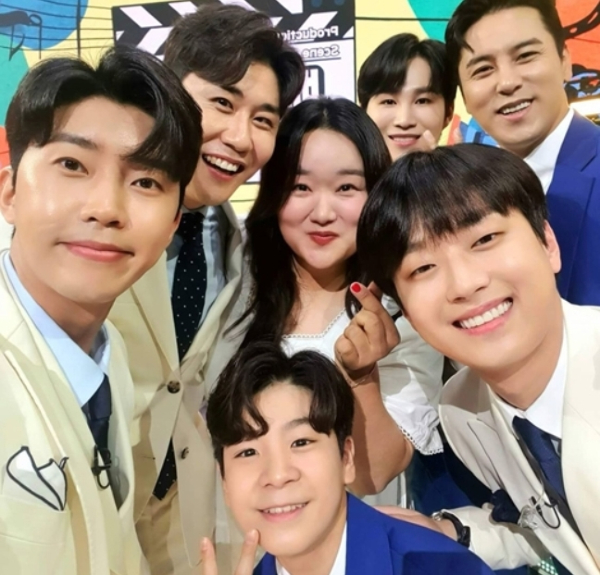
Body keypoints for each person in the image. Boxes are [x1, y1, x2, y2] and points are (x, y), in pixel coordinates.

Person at [107, 4, 305, 574]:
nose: (239, 137)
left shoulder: (239, 246)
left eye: (264, 120)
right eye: (221, 102)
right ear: (169, 90)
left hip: (180, 526)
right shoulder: (91, 221)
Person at [0, 46, 201, 574]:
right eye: (72, 165)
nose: (107, 208)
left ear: (173, 224)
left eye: (146, 182)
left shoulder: (110, 356)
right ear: (10, 190)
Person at [355, 143, 600, 574]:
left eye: (484, 239)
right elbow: (551, 526)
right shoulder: (461, 410)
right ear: (405, 312)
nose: (465, 284)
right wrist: (453, 532)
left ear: (548, 243)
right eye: (422, 268)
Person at [207, 96, 445, 502]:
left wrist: (362, 377)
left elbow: (375, 476)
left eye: (346, 188)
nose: (322, 213)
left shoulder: (401, 309)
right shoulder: (232, 275)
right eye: (300, 187)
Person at [202, 342, 495, 575]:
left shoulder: (440, 567)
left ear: (346, 458)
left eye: (301, 442)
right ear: (224, 480)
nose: (277, 475)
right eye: (248, 452)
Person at [445, 0, 600, 305]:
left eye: (526, 56)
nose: (507, 83)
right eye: (483, 69)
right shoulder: (466, 197)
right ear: (464, 94)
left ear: (565, 60)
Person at [357, 33, 456, 160]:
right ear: (364, 113)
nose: (404, 121)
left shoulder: (470, 171)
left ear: (448, 112)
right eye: (388, 102)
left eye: (422, 101)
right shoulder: (343, 171)